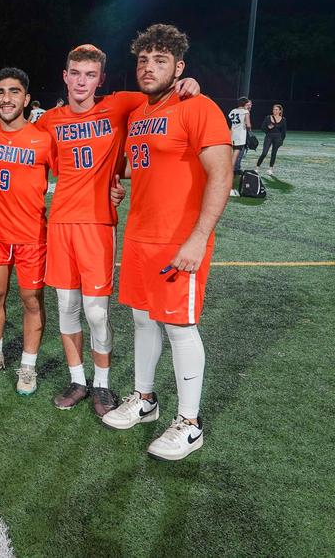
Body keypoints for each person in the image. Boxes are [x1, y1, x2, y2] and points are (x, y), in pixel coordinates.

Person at [28, 45, 200, 417]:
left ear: (101, 79)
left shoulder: (120, 104)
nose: (81, 81)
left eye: (90, 75)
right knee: (66, 307)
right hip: (60, 223)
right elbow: (15, 135)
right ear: (65, 76)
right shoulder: (48, 121)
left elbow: (160, 96)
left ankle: (103, 384)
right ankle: (78, 380)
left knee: (95, 312)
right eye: (76, 73)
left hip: (97, 224)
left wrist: (187, 82)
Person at [105, 24, 232, 461]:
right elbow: (142, 164)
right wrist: (119, 185)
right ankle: (145, 399)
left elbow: (221, 174)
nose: (148, 67)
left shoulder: (197, 106)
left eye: (160, 60)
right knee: (143, 320)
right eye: (143, 60)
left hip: (179, 240)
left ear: (179, 68)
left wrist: (199, 238)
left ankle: (190, 424)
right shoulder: (139, 113)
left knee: (180, 327)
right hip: (140, 236)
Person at [0, 67, 54, 395]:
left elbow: (74, 174)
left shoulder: (44, 138)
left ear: (26, 98)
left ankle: (28, 365)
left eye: (14, 91)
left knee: (31, 301)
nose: (6, 98)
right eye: (0, 92)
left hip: (32, 237)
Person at [255, 103, 286, 175]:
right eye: (274, 109)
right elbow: (262, 127)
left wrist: (281, 140)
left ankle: (270, 169)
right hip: (269, 136)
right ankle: (257, 168)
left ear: (280, 111)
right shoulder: (268, 117)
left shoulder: (283, 119)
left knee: (273, 153)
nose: (274, 111)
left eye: (276, 109)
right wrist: (268, 129)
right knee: (264, 153)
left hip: (278, 138)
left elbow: (284, 131)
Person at [228, 97, 252, 175]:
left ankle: (230, 169)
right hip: (240, 136)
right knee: (235, 156)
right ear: (244, 104)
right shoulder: (245, 111)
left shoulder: (233, 111)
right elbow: (248, 125)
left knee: (231, 154)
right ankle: (230, 172)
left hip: (232, 134)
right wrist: (248, 128)